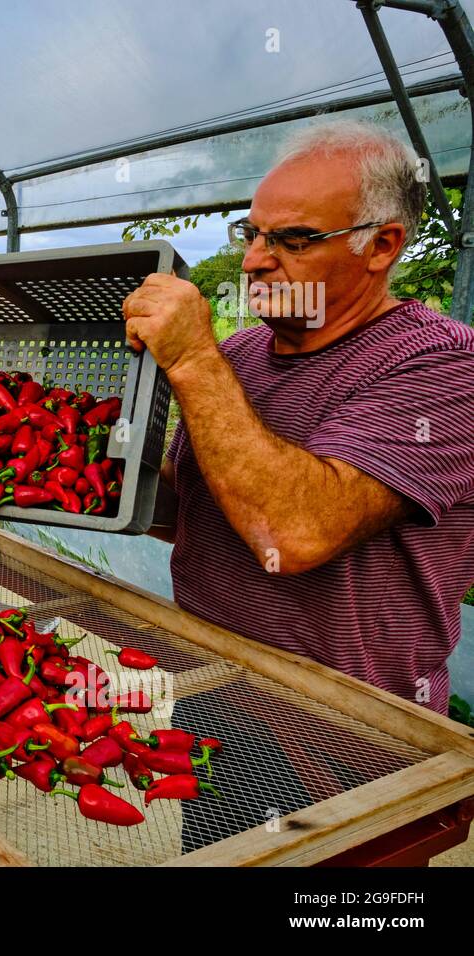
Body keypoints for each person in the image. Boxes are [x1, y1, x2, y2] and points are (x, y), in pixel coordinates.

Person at [122, 119, 474, 848]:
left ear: (381, 247)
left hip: (353, 739)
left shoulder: (446, 368)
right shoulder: (243, 354)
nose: (255, 261)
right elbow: (197, 511)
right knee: (220, 852)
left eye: (294, 240)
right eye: (250, 235)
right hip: (217, 696)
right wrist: (94, 481)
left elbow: (293, 533)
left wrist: (191, 361)